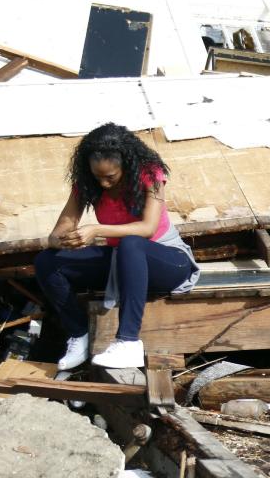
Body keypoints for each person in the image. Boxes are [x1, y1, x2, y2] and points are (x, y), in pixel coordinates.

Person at [35, 123, 200, 370]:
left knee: (132, 243)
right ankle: (78, 334)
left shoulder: (149, 174)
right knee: (47, 262)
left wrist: (97, 230)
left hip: (168, 261)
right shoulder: (87, 185)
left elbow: (147, 229)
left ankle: (128, 343)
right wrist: (64, 240)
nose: (103, 183)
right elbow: (57, 232)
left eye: (110, 177)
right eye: (97, 177)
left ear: (127, 164)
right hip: (120, 260)